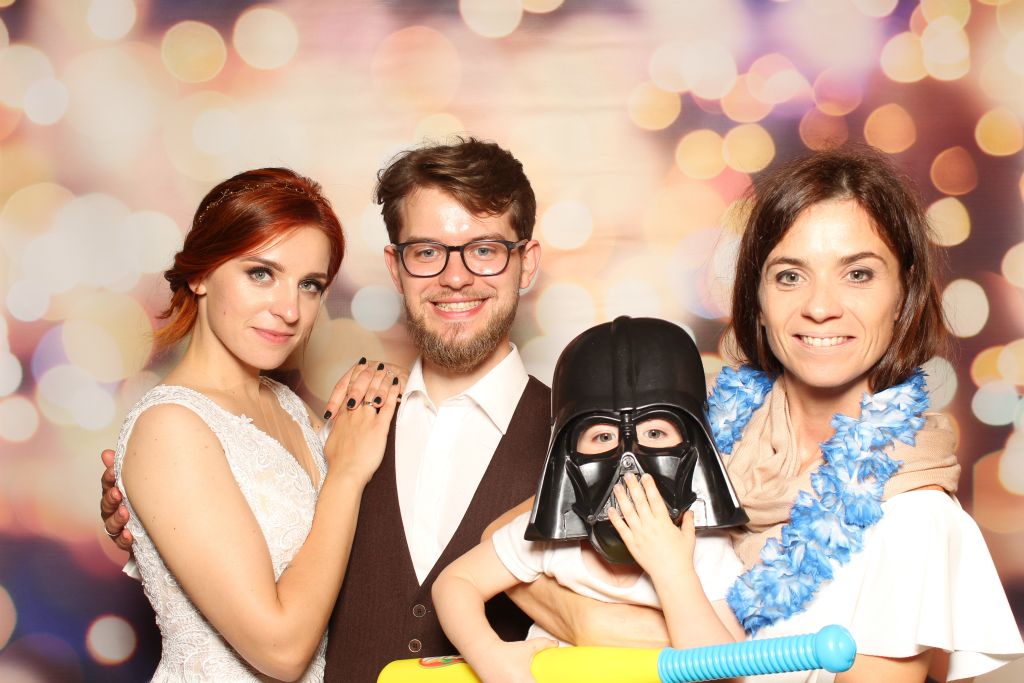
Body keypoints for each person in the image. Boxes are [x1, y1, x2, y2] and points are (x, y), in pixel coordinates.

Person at [497, 145, 1024, 682]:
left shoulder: (913, 518)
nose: (820, 307)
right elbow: (509, 532)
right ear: (758, 299)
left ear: (904, 293)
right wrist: (585, 619)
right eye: (790, 276)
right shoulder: (695, 433)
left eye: (858, 274)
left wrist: (604, 628)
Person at [102, 138, 552, 681]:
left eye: (484, 250)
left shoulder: (317, 418)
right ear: (396, 267)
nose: (289, 309)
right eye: (427, 252)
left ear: (527, 262)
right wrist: (145, 512)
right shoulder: (350, 433)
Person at [111, 168, 400, 681]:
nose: (289, 310)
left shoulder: (289, 408)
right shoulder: (169, 428)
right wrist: (346, 474)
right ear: (200, 274)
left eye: (309, 285)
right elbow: (281, 651)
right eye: (261, 273)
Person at [433, 316, 747, 683]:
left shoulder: (704, 551)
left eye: (655, 433)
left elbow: (725, 674)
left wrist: (674, 572)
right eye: (602, 437)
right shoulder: (551, 543)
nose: (628, 462)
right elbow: (455, 583)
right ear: (568, 454)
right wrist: (488, 653)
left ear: (693, 448)